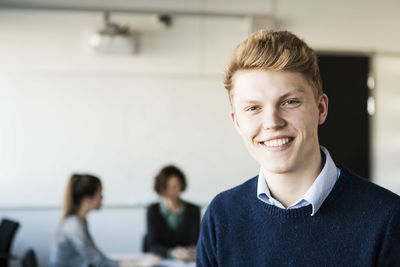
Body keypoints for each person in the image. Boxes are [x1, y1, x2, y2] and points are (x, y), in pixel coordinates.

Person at [196, 30, 400, 266]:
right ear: (237, 122)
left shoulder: (387, 218)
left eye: (289, 102)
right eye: (253, 108)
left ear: (321, 109)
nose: (272, 122)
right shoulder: (221, 216)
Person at [49, 174, 134, 267]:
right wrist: (137, 263)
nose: (102, 197)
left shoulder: (79, 220)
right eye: (99, 193)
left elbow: (94, 259)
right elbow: (99, 262)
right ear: (87, 199)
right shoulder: (73, 225)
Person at [145, 165, 200, 261]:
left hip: (187, 260)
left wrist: (189, 252)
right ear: (160, 188)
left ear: (182, 185)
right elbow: (152, 245)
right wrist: (172, 252)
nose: (171, 192)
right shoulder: (153, 210)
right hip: (161, 260)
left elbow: (196, 242)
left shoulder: (193, 210)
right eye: (167, 187)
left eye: (175, 186)